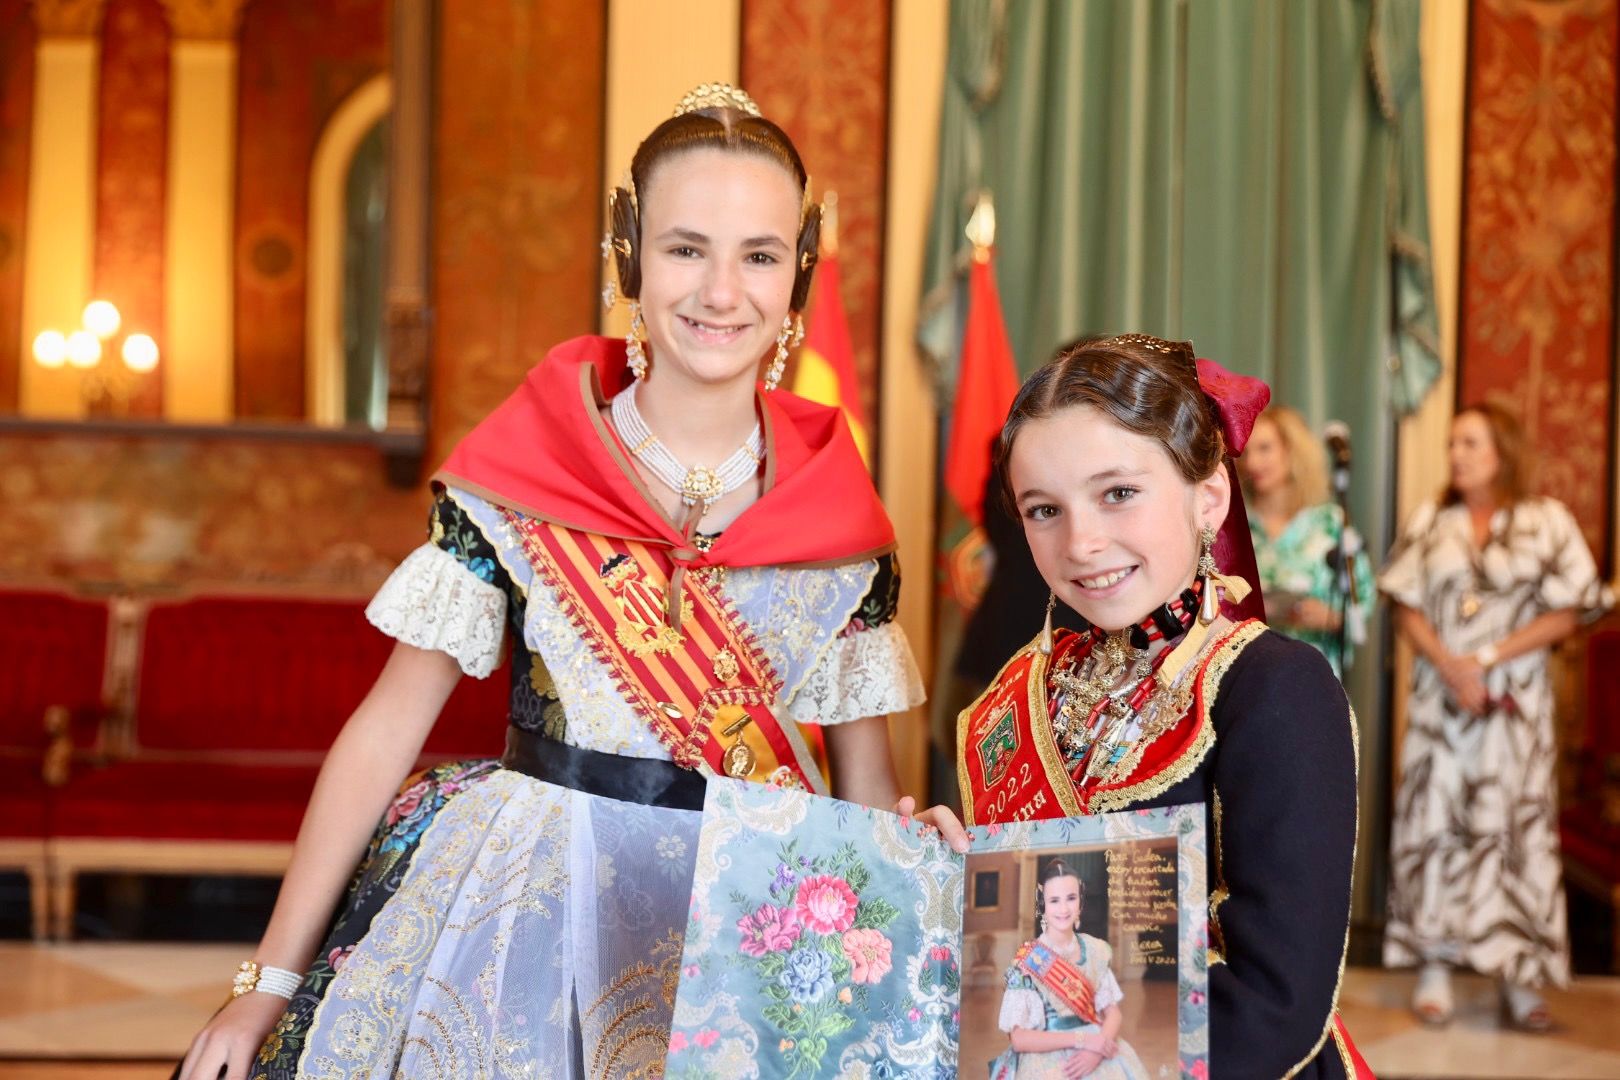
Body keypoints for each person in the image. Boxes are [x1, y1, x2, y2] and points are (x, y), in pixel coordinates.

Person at [178, 84, 927, 1080]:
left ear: (799, 268)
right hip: (534, 925)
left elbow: (865, 803)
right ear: (629, 253)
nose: (721, 291)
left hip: (751, 931)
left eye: (758, 254)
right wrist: (264, 983)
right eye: (685, 247)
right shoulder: (529, 467)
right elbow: (383, 732)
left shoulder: (842, 521)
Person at [951, 334, 1372, 1077]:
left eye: (1118, 493)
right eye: (1044, 510)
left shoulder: (1272, 687)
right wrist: (944, 881)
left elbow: (1274, 1004)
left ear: (1209, 497)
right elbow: (1024, 944)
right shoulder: (1023, 687)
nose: (1081, 542)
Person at [1379, 402, 1609, 1032]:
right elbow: (1405, 605)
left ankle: (1520, 977)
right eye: (1452, 443)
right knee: (1435, 822)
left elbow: (1573, 610)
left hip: (1515, 700)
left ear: (1503, 450)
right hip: (1441, 698)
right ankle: (1434, 964)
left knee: (1515, 827)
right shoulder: (1433, 519)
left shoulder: (1546, 521)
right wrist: (1452, 665)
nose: (1456, 453)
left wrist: (1487, 656)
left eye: (1470, 442)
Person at [1239, 405, 1375, 676]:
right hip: (1249, 675)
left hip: (1315, 674)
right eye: (1246, 452)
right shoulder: (1235, 526)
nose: (1252, 462)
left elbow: (1364, 597)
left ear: (1292, 452)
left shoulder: (1329, 524)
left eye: (1264, 448)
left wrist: (1332, 617)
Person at [991, 860, 1149, 1080]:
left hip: (1096, 1048)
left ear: (1081, 903)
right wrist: (1083, 1041)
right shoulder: (1028, 961)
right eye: (1054, 900)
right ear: (1042, 905)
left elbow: (1112, 1013)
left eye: (1071, 898)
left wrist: (1095, 1051)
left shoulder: (1096, 950)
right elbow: (1018, 1039)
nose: (1064, 909)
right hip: (1047, 1057)